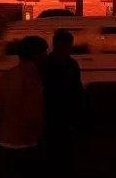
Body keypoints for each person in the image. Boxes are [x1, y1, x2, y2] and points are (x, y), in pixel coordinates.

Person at [0, 36, 48, 178]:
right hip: (26, 142)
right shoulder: (33, 78)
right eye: (44, 52)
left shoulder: (6, 76)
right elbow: (35, 113)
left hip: (6, 140)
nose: (46, 56)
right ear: (37, 55)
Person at [42, 30, 84, 176]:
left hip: (57, 112)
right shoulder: (66, 64)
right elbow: (77, 88)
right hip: (56, 112)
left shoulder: (50, 64)